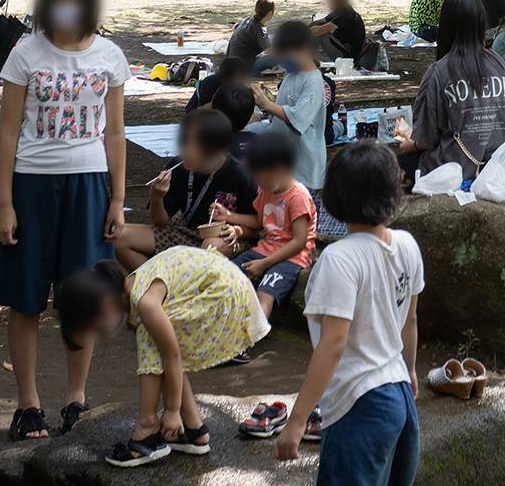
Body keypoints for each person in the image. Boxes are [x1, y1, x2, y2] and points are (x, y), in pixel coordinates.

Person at [0, 0, 129, 443]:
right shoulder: (25, 54)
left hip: (89, 186)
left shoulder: (109, 56)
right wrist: (4, 202)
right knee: (25, 299)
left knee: (81, 297)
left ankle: (76, 399)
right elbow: (7, 133)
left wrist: (117, 199)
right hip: (31, 184)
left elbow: (116, 134)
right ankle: (28, 406)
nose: (67, 5)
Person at [265, 142, 423, 482]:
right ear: (395, 189)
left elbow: (333, 345)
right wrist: (410, 372)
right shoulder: (408, 245)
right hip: (399, 394)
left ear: (334, 198)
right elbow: (409, 320)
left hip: (359, 401)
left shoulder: (339, 260)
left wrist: (296, 421)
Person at [56, 246, 269, 468]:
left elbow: (172, 355)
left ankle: (147, 427)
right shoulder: (134, 288)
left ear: (105, 304)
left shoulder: (144, 302)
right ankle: (193, 429)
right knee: (157, 339)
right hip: (226, 287)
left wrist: (171, 409)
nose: (102, 338)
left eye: (97, 330)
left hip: (226, 296)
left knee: (151, 340)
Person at [393, 0, 505, 179]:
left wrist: (409, 143)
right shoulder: (499, 63)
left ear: (445, 26)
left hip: (454, 169)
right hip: (495, 166)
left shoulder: (439, 72)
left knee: (389, 165)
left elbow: (425, 141)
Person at [116, 108, 255, 270]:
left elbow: (257, 228)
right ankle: (159, 288)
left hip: (228, 237)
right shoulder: (178, 168)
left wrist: (236, 229)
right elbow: (160, 222)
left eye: (191, 143)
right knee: (120, 238)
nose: (185, 149)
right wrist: (156, 198)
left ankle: (187, 288)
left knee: (211, 246)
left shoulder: (240, 175)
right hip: (187, 231)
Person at [217, 129, 316, 322]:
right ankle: (226, 326)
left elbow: (299, 241)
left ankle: (250, 337)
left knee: (266, 293)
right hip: (265, 250)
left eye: (261, 177)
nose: (258, 183)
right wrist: (229, 216)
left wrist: (264, 264)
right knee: (229, 277)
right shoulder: (267, 191)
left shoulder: (298, 196)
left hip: (293, 258)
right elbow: (259, 222)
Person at [251, 21, 329, 191]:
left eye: (285, 56)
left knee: (297, 207)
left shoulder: (314, 82)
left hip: (304, 161)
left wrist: (268, 105)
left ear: (304, 50)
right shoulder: (292, 73)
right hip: (285, 154)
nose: (282, 62)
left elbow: (298, 117)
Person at [314, 0, 376, 72]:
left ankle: (306, 60)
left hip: (348, 57)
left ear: (339, 0)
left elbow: (320, 31)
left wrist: (300, 33)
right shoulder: (340, 10)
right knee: (315, 30)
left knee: (321, 34)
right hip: (343, 50)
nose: (328, 2)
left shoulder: (346, 15)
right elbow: (321, 21)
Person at [226, 0, 275, 67]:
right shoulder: (259, 29)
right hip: (244, 67)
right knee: (276, 57)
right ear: (270, 13)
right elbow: (270, 51)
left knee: (272, 38)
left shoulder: (247, 20)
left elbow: (234, 27)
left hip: (230, 61)